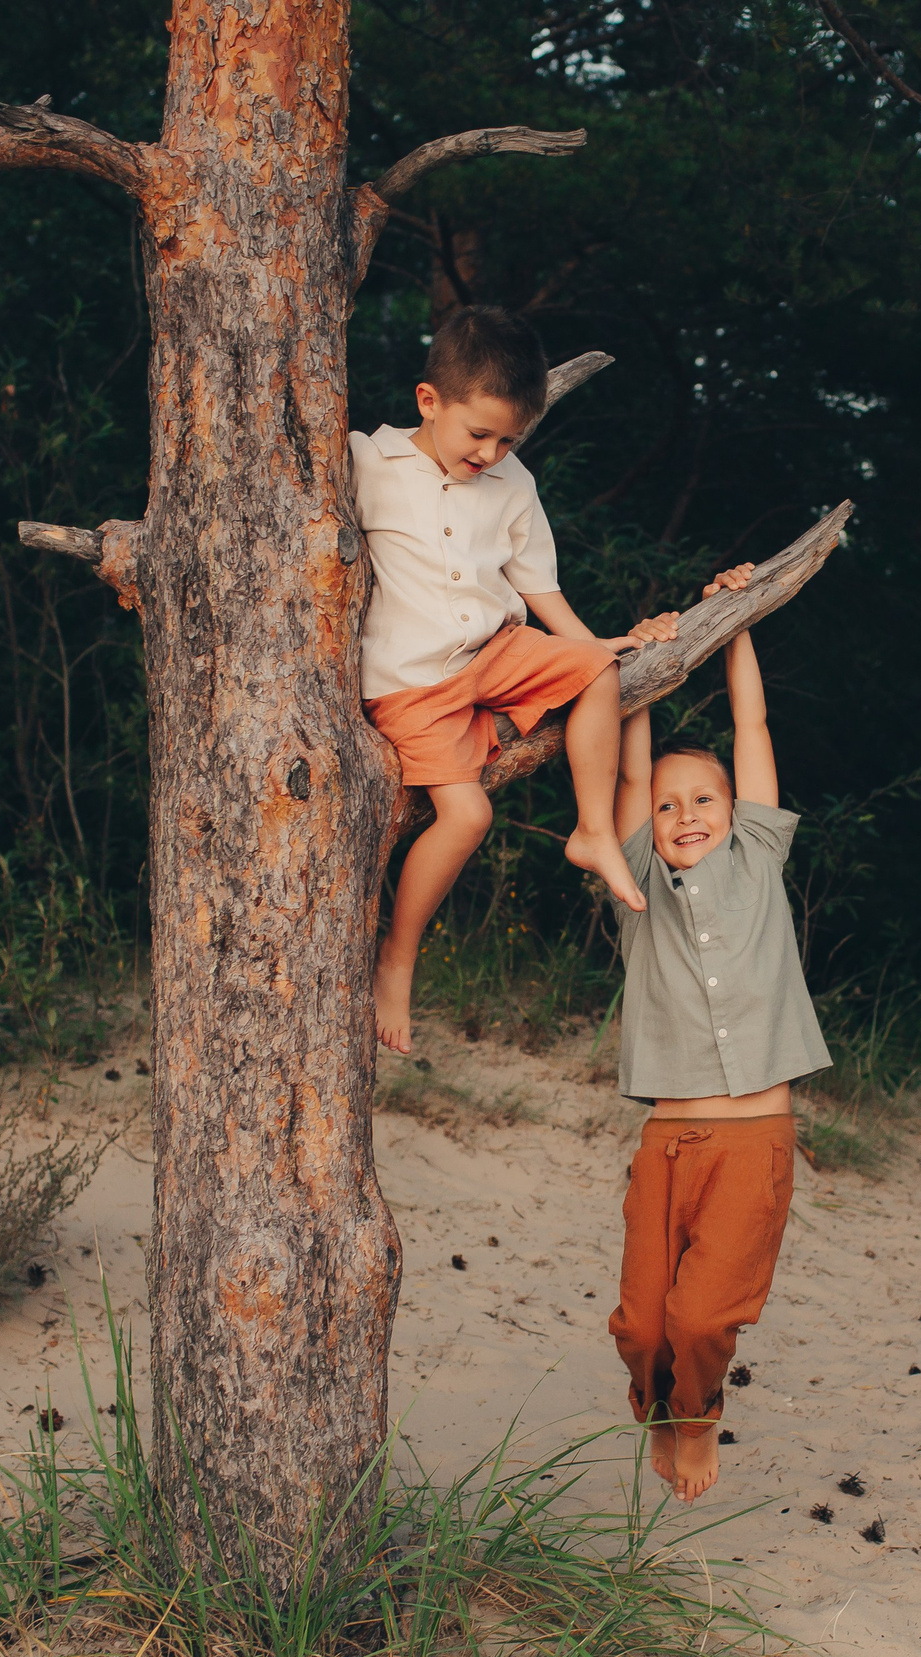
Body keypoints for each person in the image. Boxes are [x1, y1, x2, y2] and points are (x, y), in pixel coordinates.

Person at [355, 305, 677, 1053]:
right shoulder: (367, 460)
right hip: (411, 681)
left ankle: (592, 830)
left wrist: (594, 646)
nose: (492, 452)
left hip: (495, 651)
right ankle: (398, 958)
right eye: (480, 434)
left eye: (510, 439)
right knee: (467, 818)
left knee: (598, 667)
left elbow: (539, 590)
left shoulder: (513, 483)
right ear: (428, 401)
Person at [606, 565, 832, 1502]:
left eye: (702, 800)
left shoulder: (759, 859)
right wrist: (646, 669)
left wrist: (729, 622)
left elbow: (752, 727)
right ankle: (658, 1407)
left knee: (703, 1315)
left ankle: (696, 1419)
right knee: (642, 1327)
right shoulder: (633, 888)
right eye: (667, 807)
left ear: (734, 811)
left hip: (752, 1139)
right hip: (668, 1138)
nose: (685, 815)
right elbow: (626, 767)